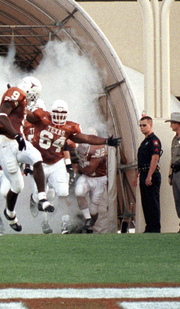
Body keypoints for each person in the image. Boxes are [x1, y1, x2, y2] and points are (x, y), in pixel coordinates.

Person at [0, 77, 56, 231]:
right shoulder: (16, 93)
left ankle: (42, 199)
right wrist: (17, 135)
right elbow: (0, 116)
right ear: (28, 90)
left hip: (17, 142)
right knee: (17, 186)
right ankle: (11, 214)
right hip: (5, 144)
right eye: (33, 95)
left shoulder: (20, 103)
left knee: (36, 157)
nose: (32, 99)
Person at [26, 99, 118, 234]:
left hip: (56, 162)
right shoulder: (42, 117)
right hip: (40, 162)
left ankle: (65, 222)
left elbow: (86, 138)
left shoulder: (69, 127)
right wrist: (22, 102)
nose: (59, 117)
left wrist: (105, 141)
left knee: (63, 192)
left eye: (62, 114)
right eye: (57, 113)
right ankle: (34, 201)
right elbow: (27, 115)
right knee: (38, 194)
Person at [136, 115, 162, 233]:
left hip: (150, 173)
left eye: (144, 125)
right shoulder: (144, 142)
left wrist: (149, 175)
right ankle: (149, 227)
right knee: (145, 202)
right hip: (143, 172)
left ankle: (155, 228)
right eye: (140, 125)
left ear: (150, 125)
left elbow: (155, 158)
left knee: (152, 202)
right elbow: (141, 160)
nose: (142, 127)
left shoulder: (153, 141)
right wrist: (136, 175)